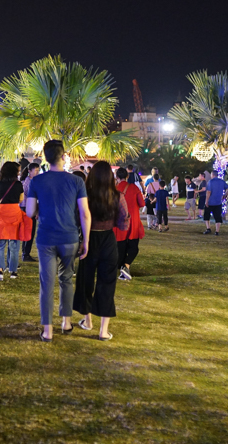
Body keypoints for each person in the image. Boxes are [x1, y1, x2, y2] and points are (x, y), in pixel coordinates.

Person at [26, 140, 91, 342]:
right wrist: (86, 240)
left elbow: (29, 211)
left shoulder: (37, 181)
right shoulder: (77, 181)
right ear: (64, 156)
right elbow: (85, 214)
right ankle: (66, 322)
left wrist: (39, 211)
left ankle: (47, 330)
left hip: (46, 237)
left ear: (45, 158)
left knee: (47, 284)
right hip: (70, 237)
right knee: (66, 279)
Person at [73, 161, 129, 341]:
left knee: (85, 280)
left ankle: (87, 320)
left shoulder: (85, 195)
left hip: (88, 239)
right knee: (107, 283)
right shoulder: (118, 196)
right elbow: (123, 224)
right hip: (108, 240)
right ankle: (103, 331)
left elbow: (78, 217)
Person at [0, 162, 31, 281]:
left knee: (0, 244)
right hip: (14, 213)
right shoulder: (18, 184)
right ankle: (13, 271)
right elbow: (21, 199)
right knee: (14, 244)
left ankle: (0, 270)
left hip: (1, 214)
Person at [114, 167, 145, 281]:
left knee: (120, 247)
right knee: (133, 247)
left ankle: (122, 267)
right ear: (127, 176)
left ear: (116, 177)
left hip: (119, 222)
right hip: (133, 221)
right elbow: (141, 203)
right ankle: (126, 266)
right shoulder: (134, 188)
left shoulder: (113, 189)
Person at [20, 163, 41, 261]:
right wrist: (36, 210)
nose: (38, 172)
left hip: (25, 207)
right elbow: (32, 197)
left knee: (28, 231)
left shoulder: (29, 181)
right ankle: (26, 253)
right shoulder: (29, 182)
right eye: (36, 170)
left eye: (38, 170)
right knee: (30, 231)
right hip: (28, 208)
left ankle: (25, 252)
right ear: (29, 171)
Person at [203, 170, 228, 235]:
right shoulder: (222, 182)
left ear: (212, 175)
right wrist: (225, 195)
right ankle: (217, 231)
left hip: (210, 202)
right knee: (218, 217)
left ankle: (208, 228)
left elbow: (208, 192)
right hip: (218, 202)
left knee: (206, 215)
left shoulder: (210, 182)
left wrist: (206, 201)